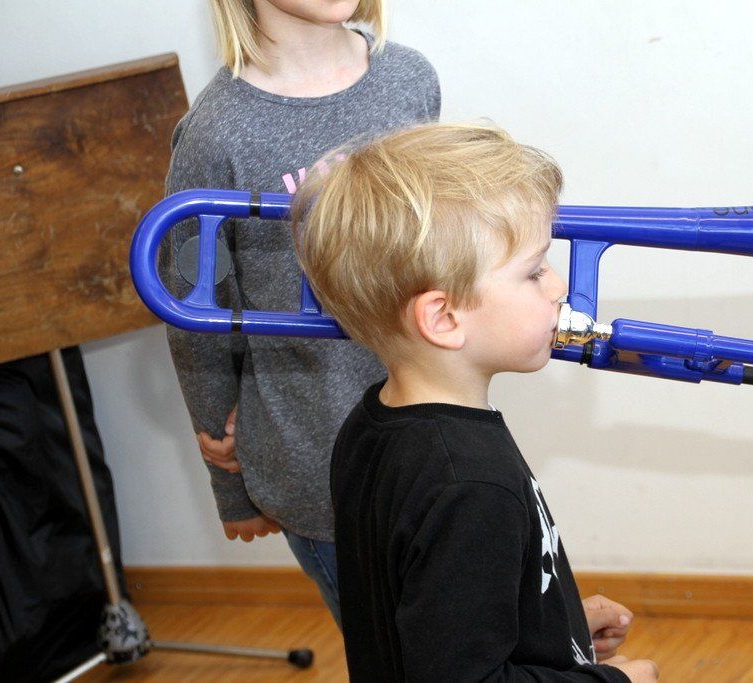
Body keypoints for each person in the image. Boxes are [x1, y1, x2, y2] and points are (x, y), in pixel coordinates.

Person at [294, 122, 660, 681]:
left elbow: (428, 623)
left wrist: (553, 625)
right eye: (533, 272)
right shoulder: (469, 485)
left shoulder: (372, 425)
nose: (559, 286)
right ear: (443, 318)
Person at [159, 0, 440, 626]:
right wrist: (231, 486)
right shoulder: (216, 134)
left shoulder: (410, 79)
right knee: (396, 656)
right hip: (321, 466)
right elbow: (197, 319)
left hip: (433, 440)